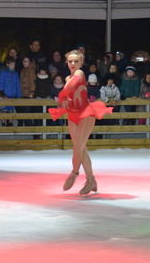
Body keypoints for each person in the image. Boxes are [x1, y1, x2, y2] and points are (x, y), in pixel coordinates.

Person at [48, 49, 113, 194]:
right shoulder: (66, 79)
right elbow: (67, 91)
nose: (72, 63)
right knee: (81, 148)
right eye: (70, 61)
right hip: (73, 115)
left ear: (81, 62)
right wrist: (64, 100)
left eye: (76, 61)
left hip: (86, 114)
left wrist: (62, 95)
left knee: (79, 146)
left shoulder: (79, 74)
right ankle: (91, 180)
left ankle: (75, 173)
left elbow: (71, 87)